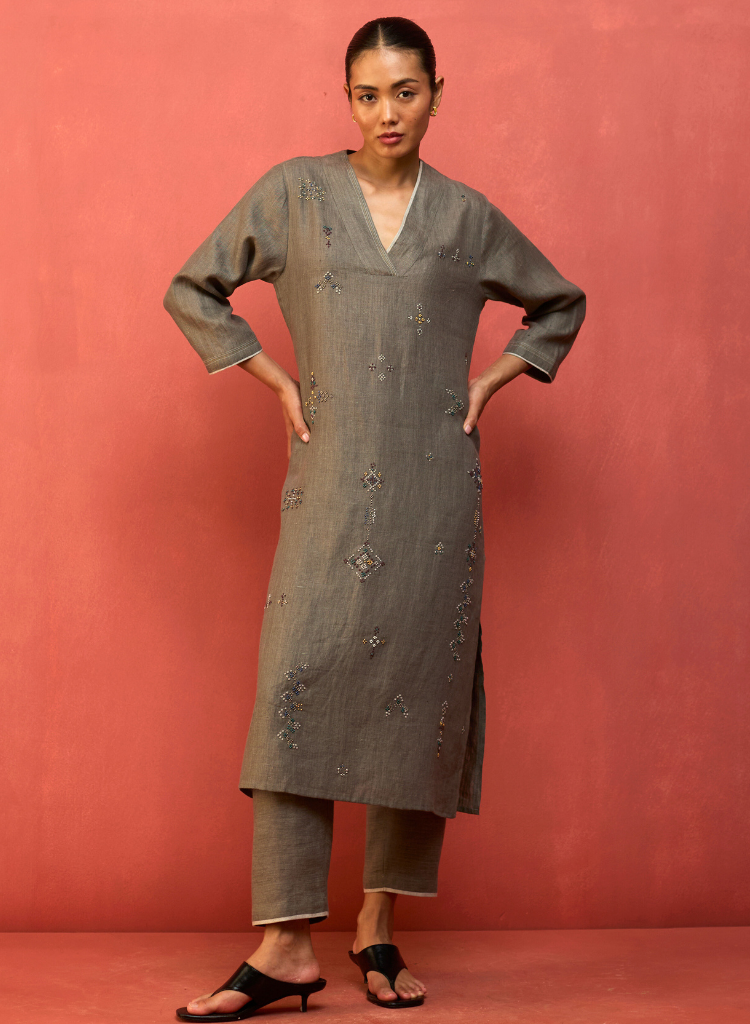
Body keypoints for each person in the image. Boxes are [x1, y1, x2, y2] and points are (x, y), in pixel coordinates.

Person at [164, 16, 586, 1020]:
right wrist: (271, 378)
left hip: (435, 488)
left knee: (415, 692)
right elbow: (195, 288)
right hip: (327, 482)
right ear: (345, 98)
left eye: (405, 91)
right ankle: (285, 943)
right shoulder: (294, 194)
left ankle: (377, 925)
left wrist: (492, 380)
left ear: (438, 92)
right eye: (366, 94)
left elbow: (558, 303)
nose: (385, 113)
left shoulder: (467, 217)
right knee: (296, 683)